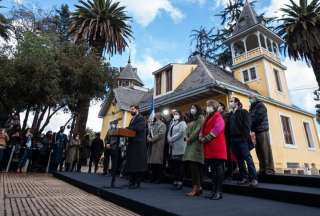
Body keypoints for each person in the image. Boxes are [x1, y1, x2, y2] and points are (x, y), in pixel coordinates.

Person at [199, 100, 227, 200]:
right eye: (207, 106)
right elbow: (202, 129)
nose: (207, 107)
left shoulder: (218, 116)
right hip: (209, 148)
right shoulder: (207, 118)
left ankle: (218, 192)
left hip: (217, 148)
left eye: (209, 106)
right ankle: (213, 191)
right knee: (213, 172)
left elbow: (218, 128)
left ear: (214, 107)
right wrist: (200, 136)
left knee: (218, 170)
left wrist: (205, 138)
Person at [229, 97, 258, 187]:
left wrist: (244, 138)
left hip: (242, 139)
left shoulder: (243, 112)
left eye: (231, 101)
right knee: (240, 160)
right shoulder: (231, 115)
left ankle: (253, 178)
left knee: (247, 158)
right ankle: (244, 177)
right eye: (230, 101)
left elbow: (247, 126)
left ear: (237, 103)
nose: (230, 103)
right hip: (233, 140)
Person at [249, 94, 275, 175]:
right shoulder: (252, 108)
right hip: (256, 131)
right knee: (259, 150)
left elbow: (258, 118)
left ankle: (269, 168)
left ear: (255, 98)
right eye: (249, 98)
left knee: (265, 149)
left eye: (251, 98)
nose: (249, 99)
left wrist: (250, 124)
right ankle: (262, 168)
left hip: (262, 130)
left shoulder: (261, 105)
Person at [183, 104, 204, 197]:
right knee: (193, 167)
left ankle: (197, 187)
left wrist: (189, 138)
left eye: (194, 108)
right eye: (191, 108)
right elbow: (187, 130)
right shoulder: (192, 119)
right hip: (190, 145)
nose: (192, 109)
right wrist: (186, 136)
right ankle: (197, 187)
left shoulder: (200, 118)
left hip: (196, 145)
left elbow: (197, 131)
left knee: (195, 167)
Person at [126, 105, 148, 189]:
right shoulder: (132, 119)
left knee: (138, 164)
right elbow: (130, 129)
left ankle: (137, 182)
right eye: (130, 109)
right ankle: (131, 181)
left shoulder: (141, 118)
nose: (131, 111)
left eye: (132, 109)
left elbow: (139, 128)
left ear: (137, 110)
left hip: (139, 144)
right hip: (132, 144)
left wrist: (129, 128)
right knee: (132, 163)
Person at [167, 110, 187, 190]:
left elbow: (181, 132)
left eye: (177, 114)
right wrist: (169, 139)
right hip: (172, 146)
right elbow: (169, 132)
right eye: (174, 114)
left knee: (180, 165)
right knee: (174, 165)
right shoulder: (172, 123)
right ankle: (175, 180)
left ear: (180, 115)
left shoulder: (183, 123)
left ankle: (180, 181)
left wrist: (171, 139)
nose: (175, 115)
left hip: (180, 146)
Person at [218, 102, 237, 179]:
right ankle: (225, 171)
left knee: (228, 155)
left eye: (219, 106)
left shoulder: (226, 114)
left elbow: (223, 125)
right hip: (221, 138)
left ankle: (230, 172)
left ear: (222, 107)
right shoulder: (218, 115)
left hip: (226, 137)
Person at [147, 113, 167, 184]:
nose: (155, 116)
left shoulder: (162, 125)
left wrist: (152, 139)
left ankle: (158, 178)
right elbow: (149, 133)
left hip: (158, 145)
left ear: (159, 116)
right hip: (152, 145)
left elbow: (161, 134)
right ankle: (152, 177)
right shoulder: (153, 124)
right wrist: (148, 138)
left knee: (158, 163)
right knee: (152, 163)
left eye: (156, 115)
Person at [104, 120, 122, 187]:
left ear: (116, 124)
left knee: (114, 163)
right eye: (111, 124)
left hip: (115, 148)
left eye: (113, 124)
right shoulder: (109, 130)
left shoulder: (118, 130)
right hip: (108, 148)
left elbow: (117, 140)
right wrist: (107, 143)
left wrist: (110, 144)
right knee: (107, 161)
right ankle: (106, 171)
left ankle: (113, 178)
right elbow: (106, 138)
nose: (112, 125)